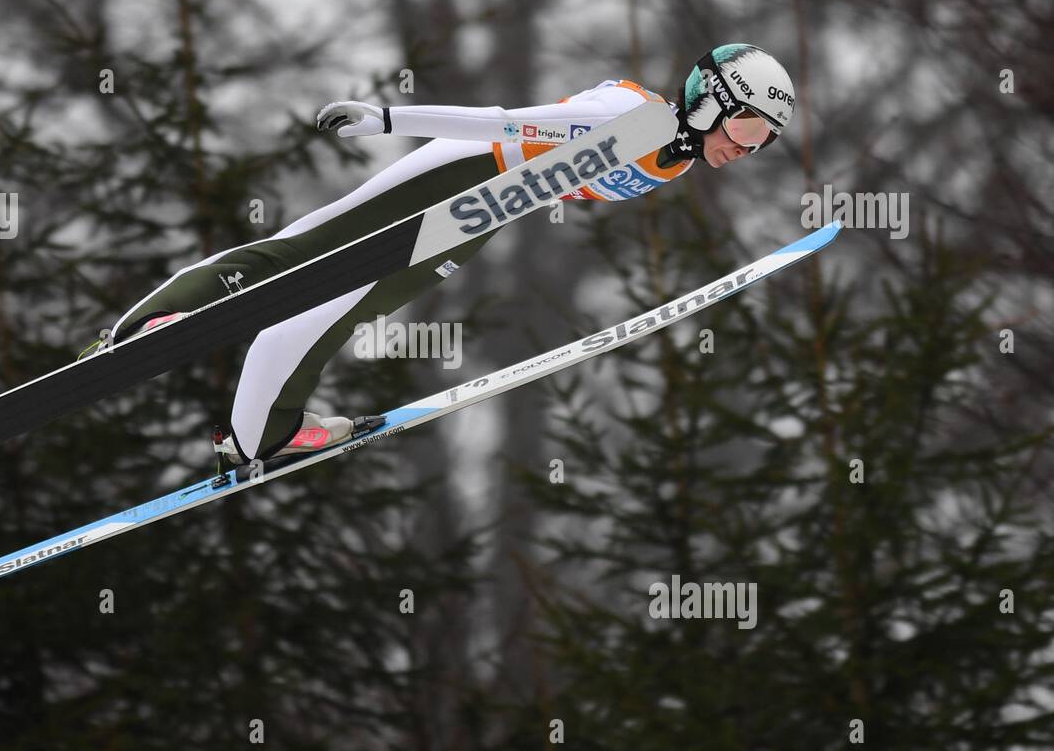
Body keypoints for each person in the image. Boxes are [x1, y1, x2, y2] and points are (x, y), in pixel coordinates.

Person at [91, 43, 796, 470]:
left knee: (346, 307)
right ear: (710, 98)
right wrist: (388, 120)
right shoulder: (631, 118)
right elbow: (500, 122)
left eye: (764, 139)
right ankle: (154, 321)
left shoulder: (673, 161)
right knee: (308, 253)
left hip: (481, 215)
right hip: (467, 169)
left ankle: (257, 436)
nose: (748, 145)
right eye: (745, 123)